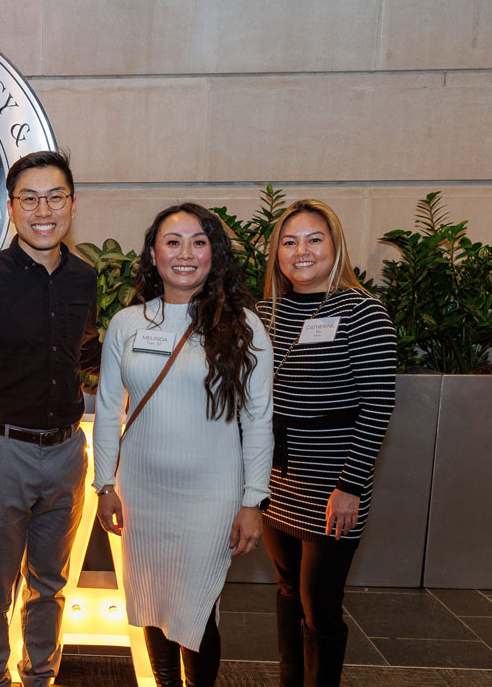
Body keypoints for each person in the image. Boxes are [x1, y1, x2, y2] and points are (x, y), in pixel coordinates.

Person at [92, 203, 273, 687]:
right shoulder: (128, 324)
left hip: (212, 495)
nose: (186, 253)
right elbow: (110, 408)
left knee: (197, 606)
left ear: (214, 253)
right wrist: (103, 483)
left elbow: (259, 420)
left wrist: (253, 500)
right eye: (173, 242)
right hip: (142, 492)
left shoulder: (245, 328)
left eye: (199, 241)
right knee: (151, 599)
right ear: (153, 254)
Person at [0, 150, 100, 687]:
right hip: (0, 454)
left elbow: (83, 355)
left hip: (66, 455)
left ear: (72, 206)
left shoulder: (84, 279)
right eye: (29, 198)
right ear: (11, 208)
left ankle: (40, 678)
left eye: (55, 196)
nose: (43, 209)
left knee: (50, 586)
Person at [256, 199, 396, 687]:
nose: (301, 251)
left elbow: (379, 405)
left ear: (335, 247)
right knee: (288, 591)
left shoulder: (363, 312)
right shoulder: (265, 313)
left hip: (334, 486)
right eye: (289, 242)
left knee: (320, 606)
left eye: (314, 239)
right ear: (277, 253)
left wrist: (351, 487)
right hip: (278, 480)